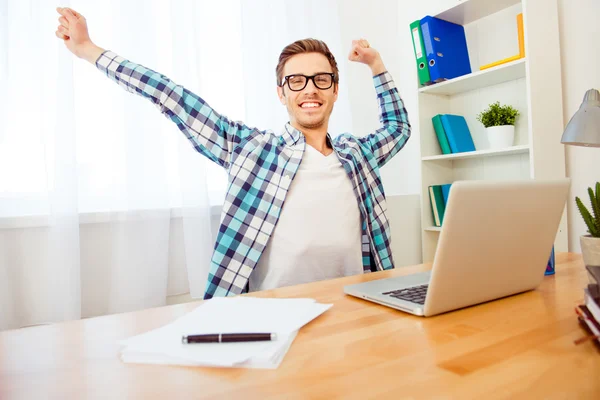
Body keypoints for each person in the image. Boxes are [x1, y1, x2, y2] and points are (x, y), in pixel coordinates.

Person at [55, 7, 411, 299]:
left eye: (321, 79)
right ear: (281, 93)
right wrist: (89, 50)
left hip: (355, 306)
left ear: (335, 90)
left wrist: (376, 65)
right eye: (296, 80)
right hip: (276, 316)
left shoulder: (357, 155)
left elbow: (398, 127)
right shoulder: (252, 151)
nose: (309, 89)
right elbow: (171, 96)